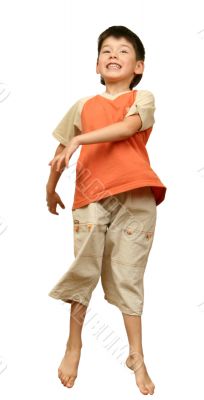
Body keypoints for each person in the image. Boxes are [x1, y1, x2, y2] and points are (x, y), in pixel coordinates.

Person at [46, 25, 167, 395]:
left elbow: (126, 128)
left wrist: (81, 139)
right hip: (90, 196)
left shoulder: (142, 98)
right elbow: (60, 155)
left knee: (128, 275)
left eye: (124, 50)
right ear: (97, 64)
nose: (113, 55)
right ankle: (74, 343)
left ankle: (137, 357)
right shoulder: (82, 106)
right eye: (106, 50)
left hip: (136, 197)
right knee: (84, 269)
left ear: (139, 65)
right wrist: (50, 189)